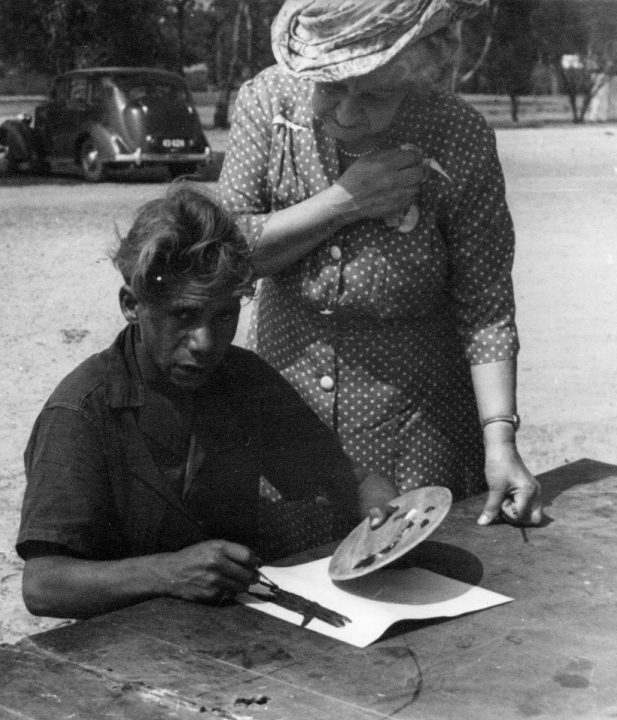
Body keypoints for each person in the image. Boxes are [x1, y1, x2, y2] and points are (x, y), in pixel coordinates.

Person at [217, 0, 543, 527]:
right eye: (329, 87)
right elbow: (225, 256)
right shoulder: (268, 103)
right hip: (287, 419)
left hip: (415, 429)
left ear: (417, 74)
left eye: (374, 95)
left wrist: (500, 439)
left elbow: (485, 308)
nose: (346, 113)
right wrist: (346, 200)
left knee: (412, 574)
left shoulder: (458, 135)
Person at [16, 184, 397, 619]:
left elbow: (335, 475)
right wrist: (166, 573)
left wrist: (374, 497)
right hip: (116, 645)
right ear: (131, 305)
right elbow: (43, 584)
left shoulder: (244, 380)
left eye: (224, 316)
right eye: (183, 315)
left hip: (232, 635)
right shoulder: (80, 412)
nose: (204, 342)